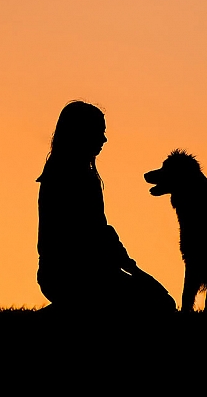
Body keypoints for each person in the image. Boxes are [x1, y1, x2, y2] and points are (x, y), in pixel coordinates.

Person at [36, 101, 175, 313]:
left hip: (65, 274)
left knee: (157, 301)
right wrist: (131, 269)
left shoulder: (64, 174)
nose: (104, 139)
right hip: (74, 275)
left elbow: (101, 232)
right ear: (80, 133)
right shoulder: (70, 177)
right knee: (160, 304)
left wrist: (131, 267)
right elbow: (93, 234)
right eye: (98, 132)